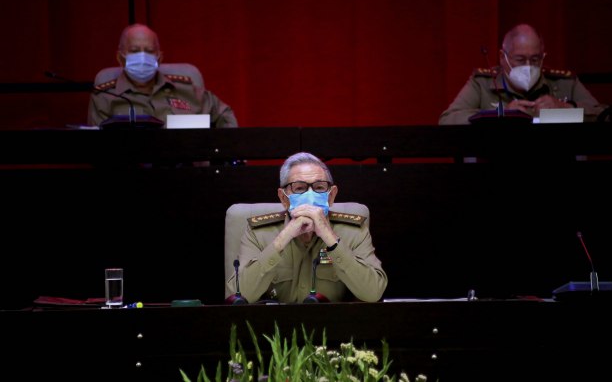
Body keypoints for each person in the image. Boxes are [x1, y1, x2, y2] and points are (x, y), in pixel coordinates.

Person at [228, 152, 388, 303]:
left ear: (331, 195)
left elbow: (373, 293)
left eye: (319, 187)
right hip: (275, 322)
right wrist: (283, 238)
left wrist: (330, 237)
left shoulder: (353, 231)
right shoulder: (258, 233)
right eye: (299, 188)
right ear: (283, 198)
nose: (310, 196)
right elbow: (236, 297)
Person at [439, 23, 607, 124]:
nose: (528, 66)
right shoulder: (483, 83)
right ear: (502, 57)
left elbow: (606, 116)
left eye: (535, 59)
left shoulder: (563, 83)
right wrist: (501, 115)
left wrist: (566, 108)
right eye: (520, 59)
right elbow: (448, 119)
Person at [87, 23, 238, 128]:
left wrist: (223, 152)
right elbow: (99, 150)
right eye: (134, 50)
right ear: (120, 58)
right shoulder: (105, 97)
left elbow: (224, 114)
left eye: (149, 51)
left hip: (187, 164)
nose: (142, 56)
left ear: (159, 58)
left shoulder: (186, 90)